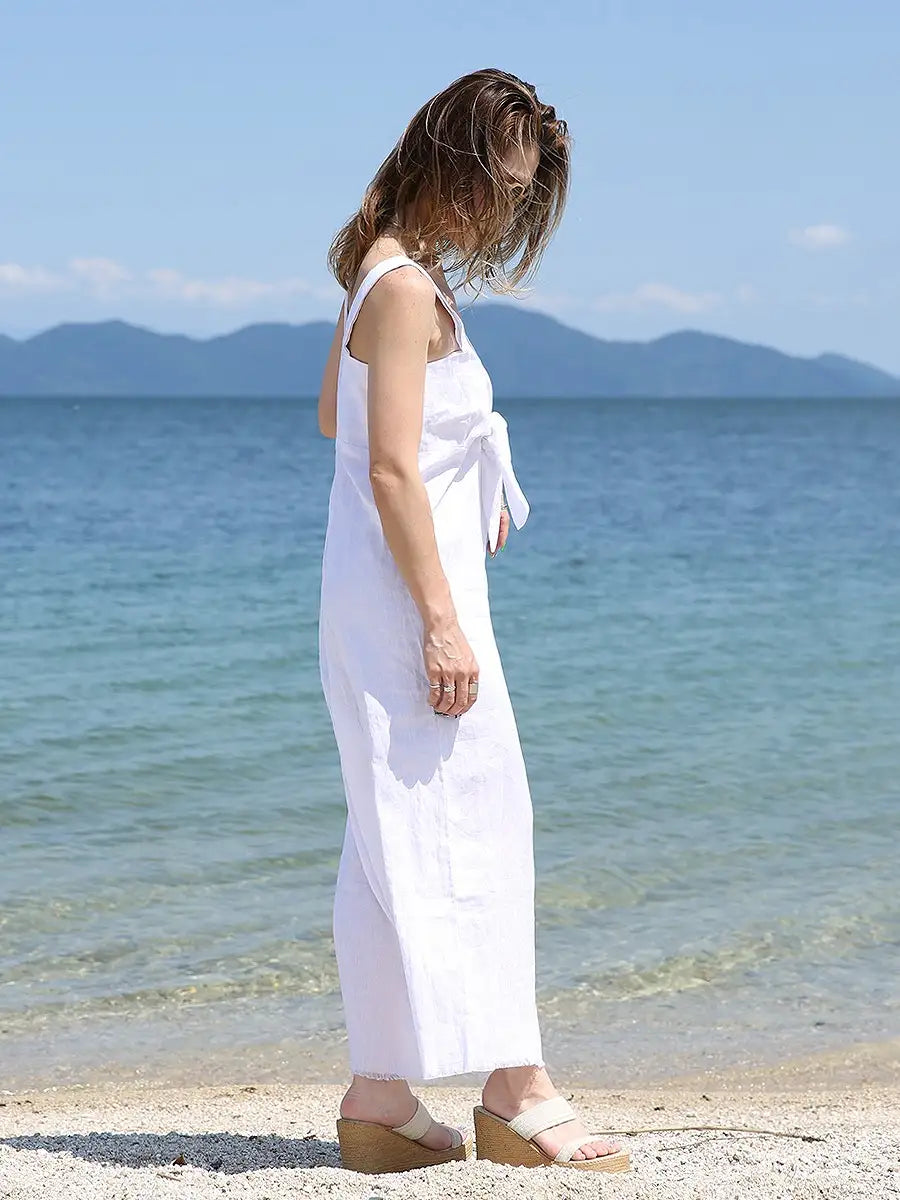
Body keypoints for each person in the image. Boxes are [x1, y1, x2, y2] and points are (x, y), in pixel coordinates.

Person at [317, 68, 630, 1175]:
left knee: (391, 842)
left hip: (387, 594)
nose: (506, 209)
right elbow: (388, 467)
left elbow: (339, 419)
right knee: (480, 828)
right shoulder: (405, 288)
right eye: (499, 182)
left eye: (522, 191)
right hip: (414, 607)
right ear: (447, 160)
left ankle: (381, 1098)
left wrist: (461, 475)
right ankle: (517, 1090)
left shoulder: (384, 273)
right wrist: (442, 619)